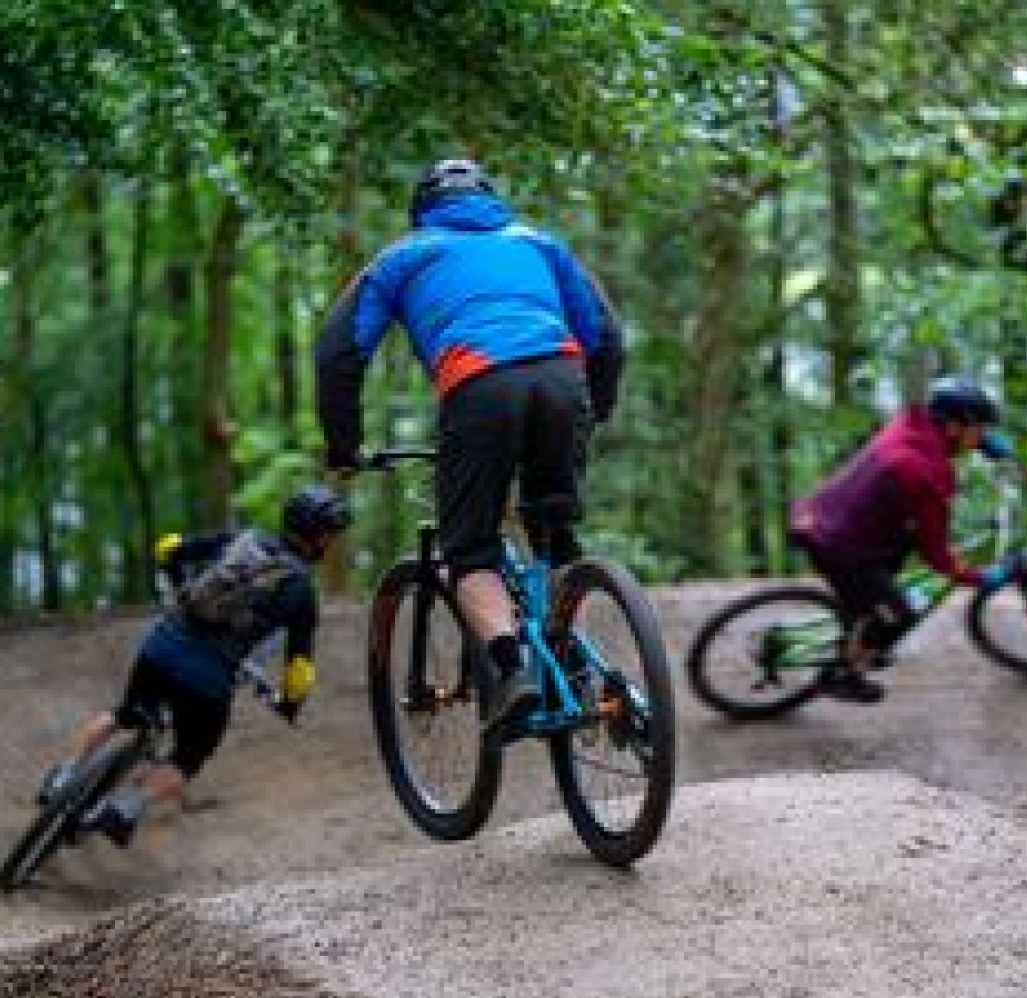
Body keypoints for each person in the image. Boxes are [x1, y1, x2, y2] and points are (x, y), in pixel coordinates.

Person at [314, 158, 624, 731]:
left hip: (480, 385)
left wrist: (343, 446)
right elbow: (605, 334)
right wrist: (595, 409)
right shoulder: (538, 242)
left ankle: (510, 672)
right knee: (553, 529)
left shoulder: (402, 257)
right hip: (563, 379)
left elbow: (339, 352)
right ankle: (577, 663)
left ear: (422, 211)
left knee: (470, 551)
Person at [36, 485, 352, 845]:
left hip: (162, 648)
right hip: (208, 683)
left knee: (123, 715)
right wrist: (289, 704)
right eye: (331, 534)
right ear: (318, 538)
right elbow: (299, 672)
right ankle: (125, 808)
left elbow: (168, 548)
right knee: (188, 757)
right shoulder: (301, 591)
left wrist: (180, 588)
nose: (332, 541)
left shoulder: (242, 539)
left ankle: (64, 775)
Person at [788, 376, 1015, 703]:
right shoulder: (924, 473)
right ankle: (841, 674)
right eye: (980, 428)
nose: (985, 434)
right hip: (838, 545)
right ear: (953, 427)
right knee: (901, 614)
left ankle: (865, 625)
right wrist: (979, 577)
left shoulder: (911, 426)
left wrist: (982, 444)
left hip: (825, 514)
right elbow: (938, 559)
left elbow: (942, 444)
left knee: (893, 564)